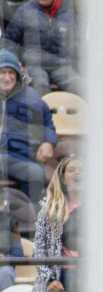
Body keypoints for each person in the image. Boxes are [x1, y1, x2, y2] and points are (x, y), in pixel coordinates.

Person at [0, 49, 53, 202]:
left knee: (36, 173)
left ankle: (29, 218)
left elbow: (47, 121)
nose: (7, 77)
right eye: (2, 72)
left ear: (17, 75)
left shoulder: (30, 96)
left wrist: (48, 142)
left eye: (11, 73)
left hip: (18, 157)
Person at [26, 156, 78, 292]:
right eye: (72, 170)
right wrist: (50, 280)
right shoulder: (49, 208)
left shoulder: (99, 206)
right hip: (62, 276)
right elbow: (39, 249)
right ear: (62, 177)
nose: (77, 173)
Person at [3, 0, 78, 94]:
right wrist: (14, 64)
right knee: (40, 86)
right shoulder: (25, 10)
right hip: (34, 65)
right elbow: (9, 41)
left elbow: (77, 42)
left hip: (61, 65)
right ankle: (41, 108)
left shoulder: (67, 11)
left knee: (79, 87)